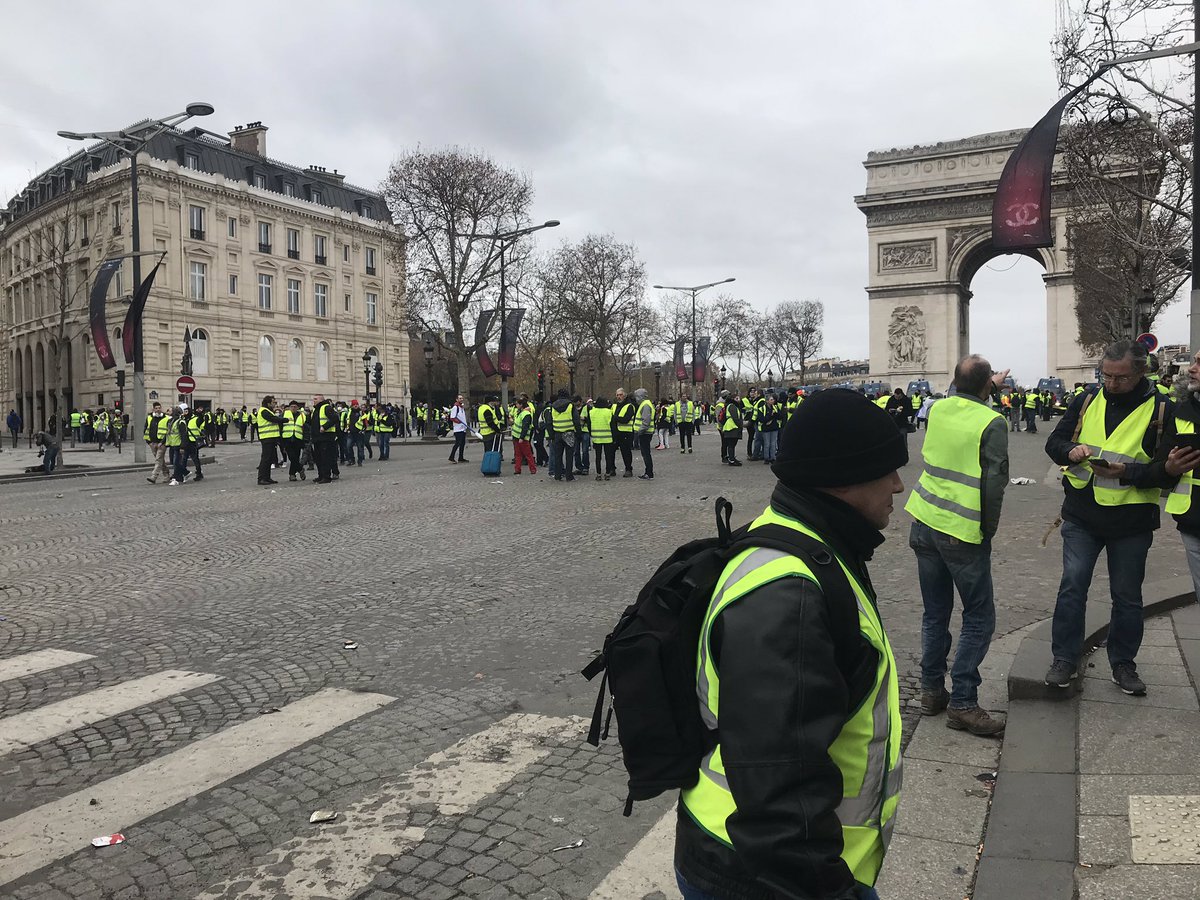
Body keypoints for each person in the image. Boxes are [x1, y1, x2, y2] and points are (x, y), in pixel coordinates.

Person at [675, 389, 905, 900]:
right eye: (886, 469)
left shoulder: (803, 539)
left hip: (767, 858)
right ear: (841, 479)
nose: (898, 484)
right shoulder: (789, 596)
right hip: (767, 876)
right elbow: (777, 787)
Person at [1044, 340, 1179, 696]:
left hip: (1132, 521)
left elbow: (1168, 473)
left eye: (1120, 378)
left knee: (1127, 596)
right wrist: (1070, 451)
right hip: (1082, 514)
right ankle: (1064, 658)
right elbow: (1054, 443)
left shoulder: (1163, 409)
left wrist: (1126, 473)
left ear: (1141, 372)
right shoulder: (1086, 399)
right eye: (1106, 375)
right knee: (1072, 586)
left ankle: (1123, 664)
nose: (1111, 383)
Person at [905, 356, 1010, 736]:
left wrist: (988, 383)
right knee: (979, 617)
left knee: (935, 614)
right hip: (962, 529)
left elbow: (963, 394)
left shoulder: (937, 408)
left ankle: (931, 691)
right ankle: (964, 702)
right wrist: (988, 529)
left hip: (924, 519)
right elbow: (995, 482)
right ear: (986, 386)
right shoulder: (992, 422)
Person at [1161, 349, 1200, 600]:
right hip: (1193, 521)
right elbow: (1160, 468)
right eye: (1195, 361)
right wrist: (1169, 468)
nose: (1192, 368)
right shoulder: (1181, 411)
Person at [548, 388, 578, 482]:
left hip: (557, 433)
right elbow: (576, 420)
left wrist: (551, 435)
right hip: (569, 432)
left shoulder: (553, 406)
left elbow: (549, 421)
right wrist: (578, 432)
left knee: (558, 456)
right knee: (569, 456)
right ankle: (569, 476)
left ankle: (558, 475)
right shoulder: (570, 405)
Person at [255, 396, 285, 486]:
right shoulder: (264, 411)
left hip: (271, 437)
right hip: (266, 437)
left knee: (270, 459)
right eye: (273, 402)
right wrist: (285, 420)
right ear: (268, 403)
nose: (275, 404)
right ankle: (261, 478)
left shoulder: (268, 410)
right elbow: (273, 419)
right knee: (266, 458)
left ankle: (267, 478)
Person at [310, 395, 339, 484]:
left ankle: (326, 476)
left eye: (316, 399)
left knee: (325, 458)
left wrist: (325, 427)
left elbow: (335, 418)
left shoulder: (326, 407)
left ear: (321, 400)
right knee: (318, 458)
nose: (314, 400)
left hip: (326, 437)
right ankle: (321, 475)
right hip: (317, 438)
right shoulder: (315, 410)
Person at [144, 401, 170, 485]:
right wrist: (149, 442)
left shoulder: (166, 418)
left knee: (158, 460)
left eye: (159, 408)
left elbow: (168, 432)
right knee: (160, 460)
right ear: (153, 409)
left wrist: (162, 442)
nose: (158, 409)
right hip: (152, 443)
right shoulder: (149, 418)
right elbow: (145, 429)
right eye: (156, 408)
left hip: (162, 443)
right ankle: (166, 474)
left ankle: (154, 477)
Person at [589, 397, 615, 480]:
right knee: (608, 456)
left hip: (596, 437)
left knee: (598, 457)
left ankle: (598, 474)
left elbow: (589, 424)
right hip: (608, 437)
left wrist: (591, 433)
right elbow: (613, 425)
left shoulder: (592, 412)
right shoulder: (609, 412)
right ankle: (607, 473)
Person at [282, 399, 307, 481]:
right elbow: (280, 425)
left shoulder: (302, 415)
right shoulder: (285, 414)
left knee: (296, 457)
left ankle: (292, 475)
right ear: (289, 407)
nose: (293, 408)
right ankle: (300, 469)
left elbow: (305, 427)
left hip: (298, 439)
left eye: (295, 407)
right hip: (287, 438)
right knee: (292, 457)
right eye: (291, 406)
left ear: (298, 408)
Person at [613, 388, 636, 477]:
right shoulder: (614, 406)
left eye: (620, 395)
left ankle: (628, 469)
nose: (619, 397)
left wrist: (615, 418)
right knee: (611, 451)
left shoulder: (629, 406)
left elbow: (626, 419)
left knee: (626, 452)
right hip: (615, 432)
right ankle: (612, 469)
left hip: (626, 432)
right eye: (617, 395)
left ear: (625, 395)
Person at [511, 395, 537, 475]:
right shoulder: (522, 413)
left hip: (522, 438)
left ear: (521, 405)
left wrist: (522, 437)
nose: (516, 405)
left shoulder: (525, 414)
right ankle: (518, 469)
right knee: (519, 454)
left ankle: (532, 469)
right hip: (517, 437)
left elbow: (525, 427)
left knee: (527, 454)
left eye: (517, 404)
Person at [634, 387, 655, 479]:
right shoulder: (646, 404)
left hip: (645, 433)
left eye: (636, 396)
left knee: (646, 453)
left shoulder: (645, 405)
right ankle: (648, 472)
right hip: (646, 432)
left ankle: (649, 472)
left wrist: (639, 431)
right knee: (646, 453)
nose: (636, 398)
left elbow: (646, 421)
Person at [719, 392, 744, 466]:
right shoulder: (732, 406)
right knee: (731, 445)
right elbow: (735, 418)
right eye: (737, 398)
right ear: (733, 399)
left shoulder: (732, 406)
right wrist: (740, 425)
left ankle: (732, 458)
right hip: (732, 427)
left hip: (731, 427)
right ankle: (731, 460)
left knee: (732, 445)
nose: (739, 399)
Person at [757, 391, 783, 463]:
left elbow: (780, 416)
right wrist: (771, 416)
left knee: (773, 444)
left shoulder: (775, 407)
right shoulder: (762, 409)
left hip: (774, 428)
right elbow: (761, 419)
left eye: (773, 399)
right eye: (771, 399)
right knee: (767, 444)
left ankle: (773, 458)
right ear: (767, 401)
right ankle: (766, 458)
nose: (773, 401)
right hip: (766, 429)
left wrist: (775, 414)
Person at [448, 395, 468, 463]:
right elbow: (452, 417)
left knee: (462, 444)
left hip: (463, 428)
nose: (461, 399)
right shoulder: (455, 407)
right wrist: (459, 422)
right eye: (460, 398)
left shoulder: (461, 407)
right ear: (456, 399)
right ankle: (451, 457)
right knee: (458, 443)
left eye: (462, 398)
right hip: (458, 428)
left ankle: (461, 458)